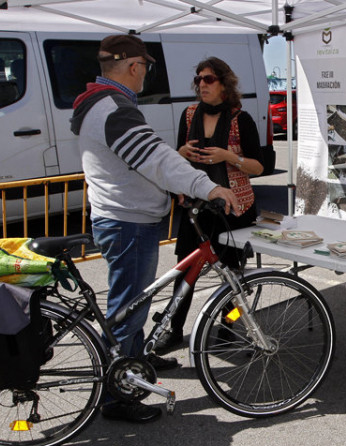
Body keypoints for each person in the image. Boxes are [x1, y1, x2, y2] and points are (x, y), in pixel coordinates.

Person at [70, 34, 241, 423]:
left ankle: (135, 362)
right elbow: (156, 158)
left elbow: (136, 163)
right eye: (145, 66)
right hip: (127, 223)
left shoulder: (102, 103)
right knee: (127, 309)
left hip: (123, 217)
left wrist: (173, 189)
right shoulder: (113, 108)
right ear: (134, 67)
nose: (146, 73)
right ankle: (117, 395)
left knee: (135, 302)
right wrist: (207, 186)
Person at [154, 57, 264, 355]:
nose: (201, 84)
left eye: (209, 79)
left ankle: (229, 326)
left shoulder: (242, 120)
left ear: (224, 85)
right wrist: (180, 151)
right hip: (196, 208)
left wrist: (229, 157)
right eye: (199, 79)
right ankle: (174, 329)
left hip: (235, 210)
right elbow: (175, 159)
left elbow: (260, 167)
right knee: (185, 273)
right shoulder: (189, 115)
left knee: (235, 277)